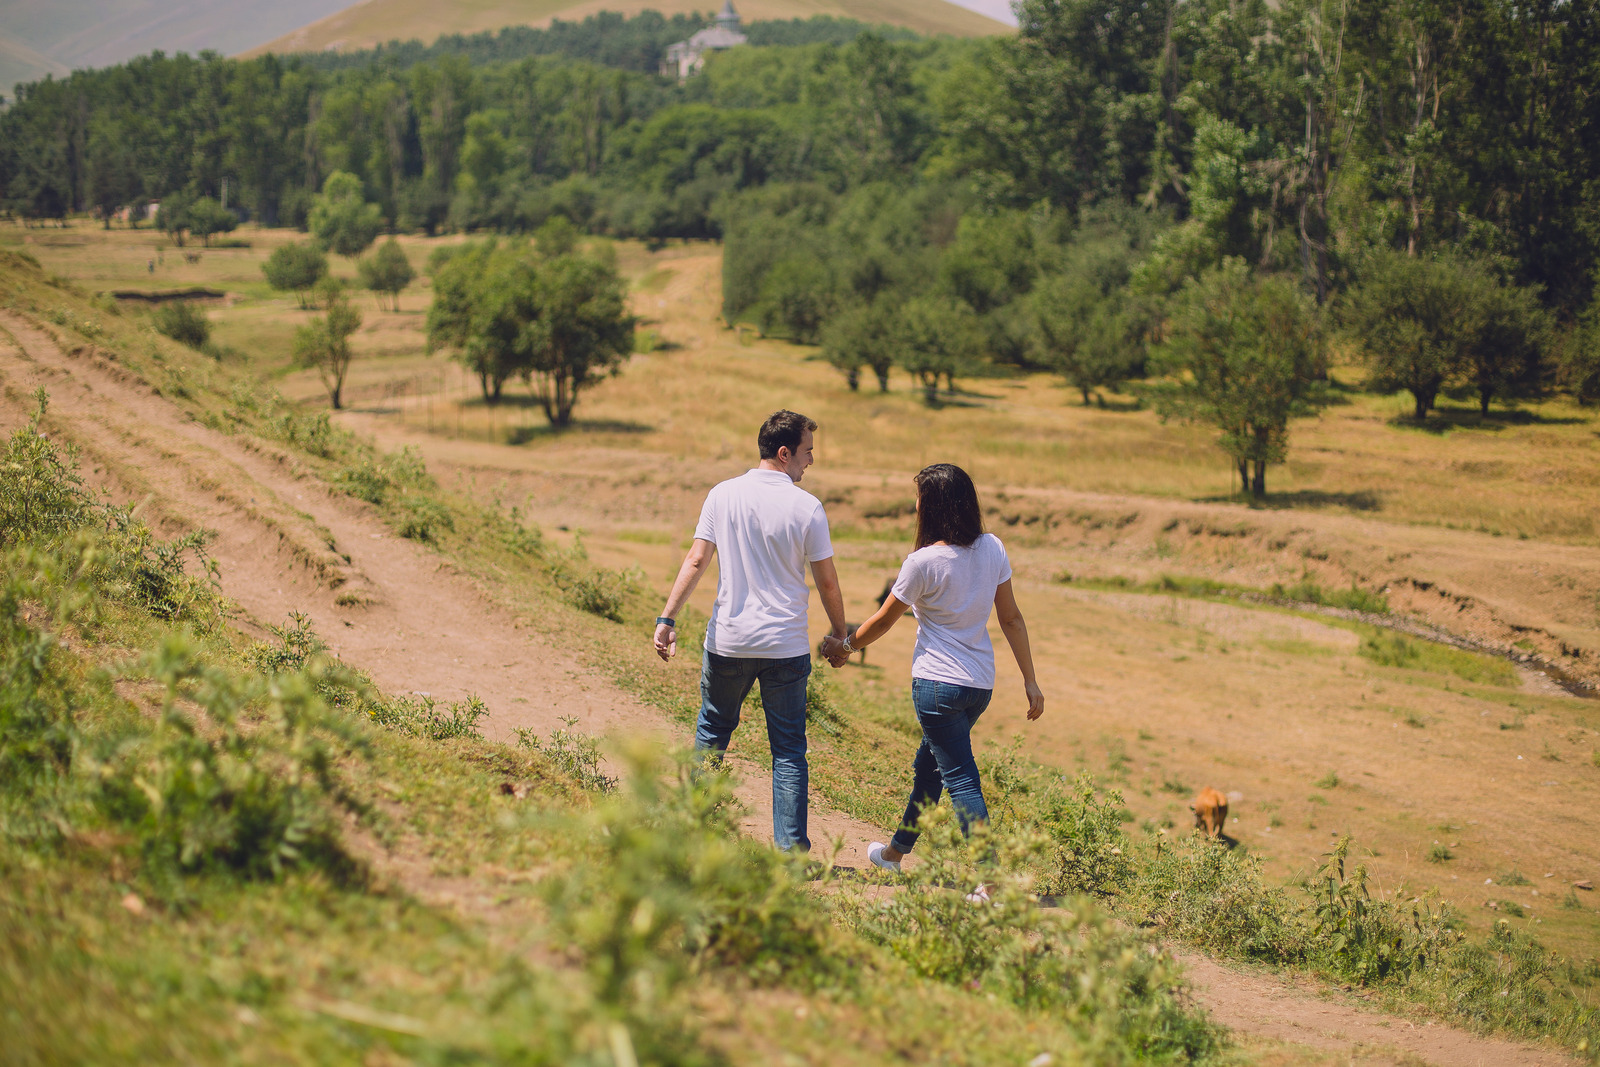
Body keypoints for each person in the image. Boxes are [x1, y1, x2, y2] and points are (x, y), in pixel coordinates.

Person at [822, 463, 1044, 880]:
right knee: (931, 769)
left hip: (937, 687)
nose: (915, 505)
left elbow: (885, 620)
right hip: (978, 686)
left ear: (933, 506)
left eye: (919, 498)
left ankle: (987, 878)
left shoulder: (922, 562)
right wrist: (1030, 680)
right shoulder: (992, 547)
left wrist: (846, 646)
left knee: (960, 779)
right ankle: (893, 853)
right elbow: (1011, 618)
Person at [654, 410, 848, 851]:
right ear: (784, 453)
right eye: (807, 451)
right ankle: (792, 852)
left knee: (712, 732)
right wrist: (840, 634)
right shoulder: (807, 506)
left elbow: (696, 561)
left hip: (730, 641)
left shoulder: (722, 495)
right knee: (788, 751)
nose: (811, 461)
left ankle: (693, 833)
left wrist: (667, 618)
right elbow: (828, 581)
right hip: (785, 646)